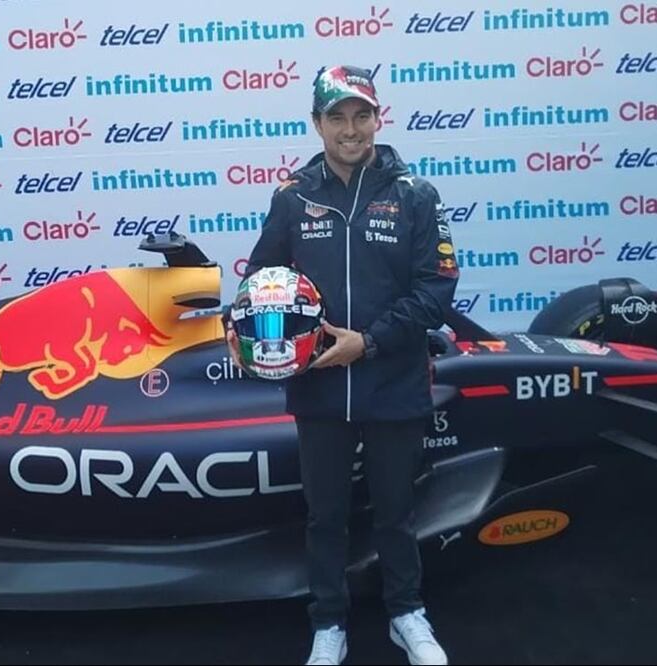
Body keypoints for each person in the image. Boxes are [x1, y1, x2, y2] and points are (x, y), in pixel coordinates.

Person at [227, 65, 458, 665]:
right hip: (320, 387)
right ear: (317, 124)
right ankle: (328, 624)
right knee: (325, 515)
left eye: (361, 115)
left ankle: (407, 614)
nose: (350, 129)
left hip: (392, 379)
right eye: (337, 117)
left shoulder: (415, 195)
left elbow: (436, 293)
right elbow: (260, 280)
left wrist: (371, 342)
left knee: (395, 511)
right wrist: (239, 329)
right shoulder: (292, 196)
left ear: (378, 118)